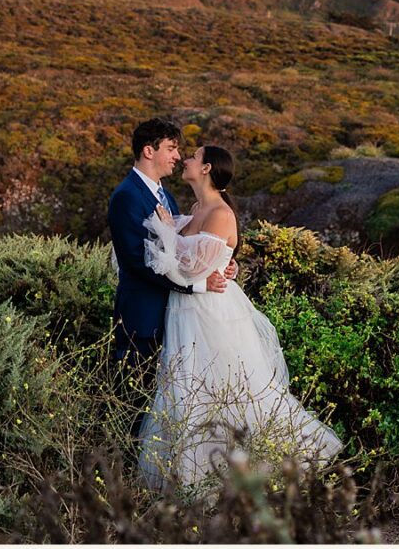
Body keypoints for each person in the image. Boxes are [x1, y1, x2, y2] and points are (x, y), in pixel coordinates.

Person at [135, 143, 342, 488]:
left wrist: (167, 232)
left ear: (205, 169)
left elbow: (190, 269)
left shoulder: (219, 213)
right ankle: (192, 477)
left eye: (194, 156)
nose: (185, 159)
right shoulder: (198, 207)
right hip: (186, 311)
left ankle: (262, 470)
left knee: (225, 389)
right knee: (187, 392)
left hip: (210, 312)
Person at [108, 119, 234, 406]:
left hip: (177, 320)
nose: (178, 156)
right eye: (172, 148)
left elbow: (184, 252)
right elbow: (138, 262)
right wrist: (198, 286)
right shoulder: (126, 197)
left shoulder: (167, 196)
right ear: (149, 151)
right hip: (142, 318)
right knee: (135, 404)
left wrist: (220, 266)